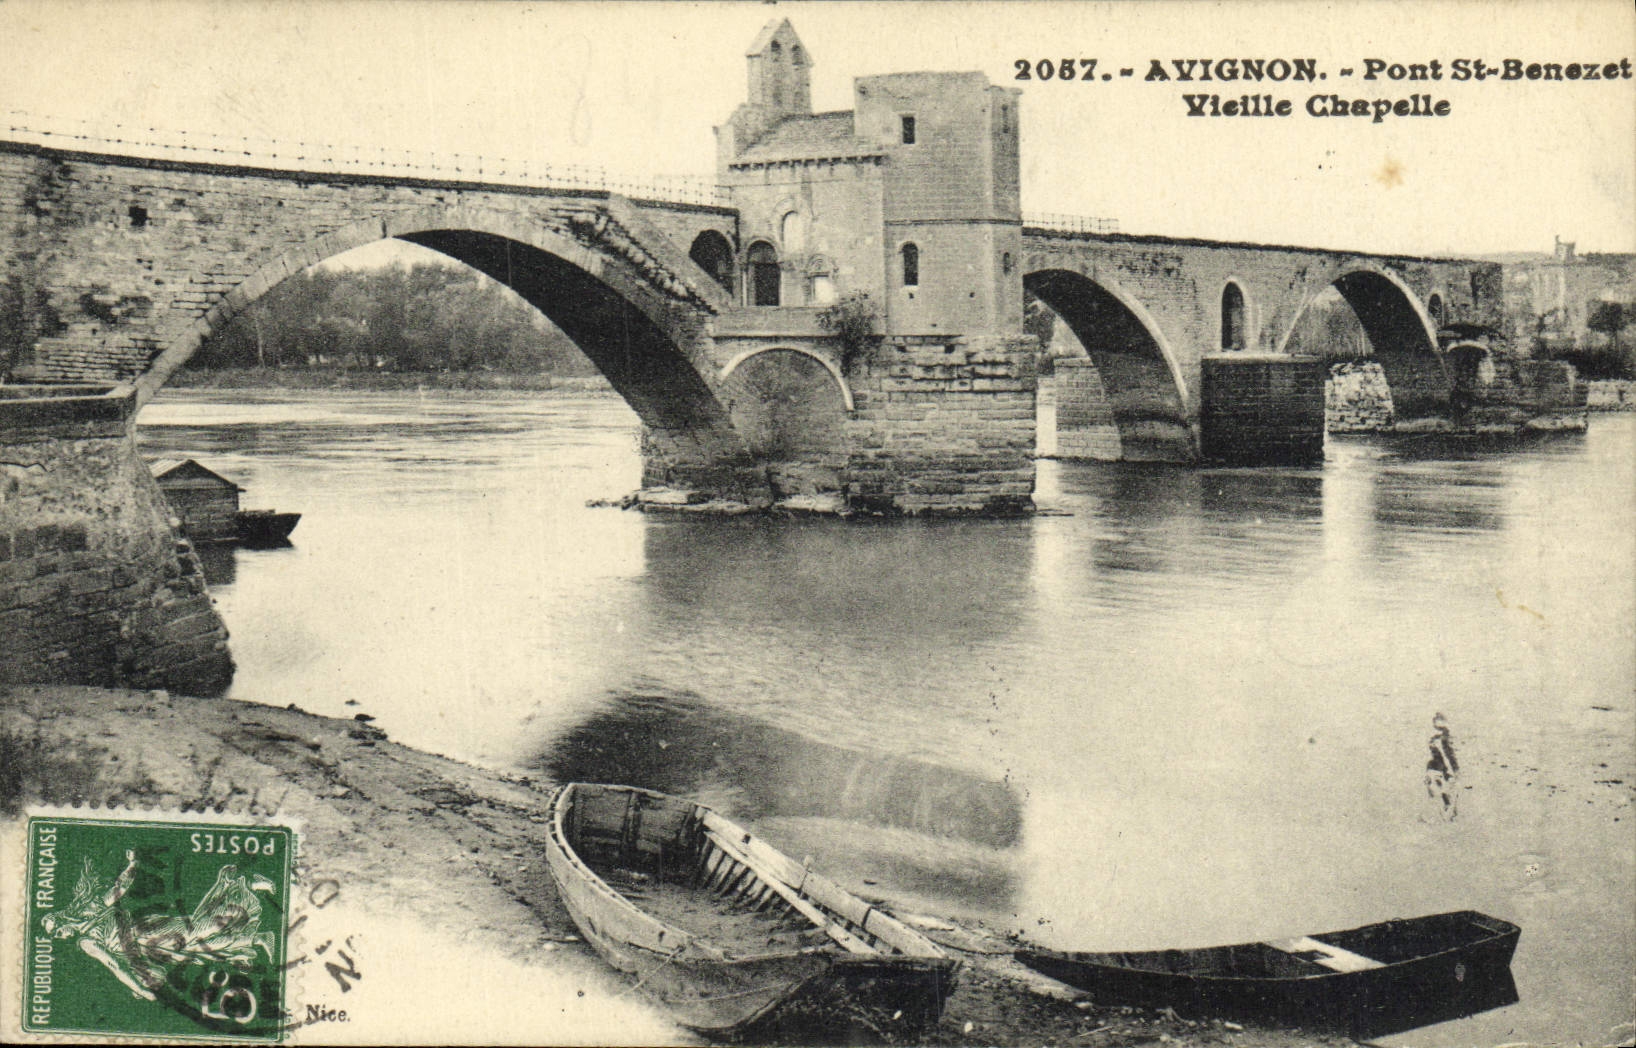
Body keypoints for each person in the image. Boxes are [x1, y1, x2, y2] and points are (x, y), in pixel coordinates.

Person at [42, 851, 277, 1001]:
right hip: (147, 949)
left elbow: (119, 891)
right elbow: (118, 963)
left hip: (146, 932)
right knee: (197, 948)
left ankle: (243, 885)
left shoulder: (88, 930)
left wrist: (132, 864)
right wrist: (140, 986)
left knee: (196, 932)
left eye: (57, 931)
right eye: (56, 937)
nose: (60, 937)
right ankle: (257, 937)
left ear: (64, 919)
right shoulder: (84, 936)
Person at [1425, 713, 1460, 820]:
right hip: (1440, 766)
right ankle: (1447, 810)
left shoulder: (1443, 742)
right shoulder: (1441, 741)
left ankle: (1447, 809)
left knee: (1442, 788)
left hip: (1441, 766)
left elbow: (1448, 756)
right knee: (1440, 788)